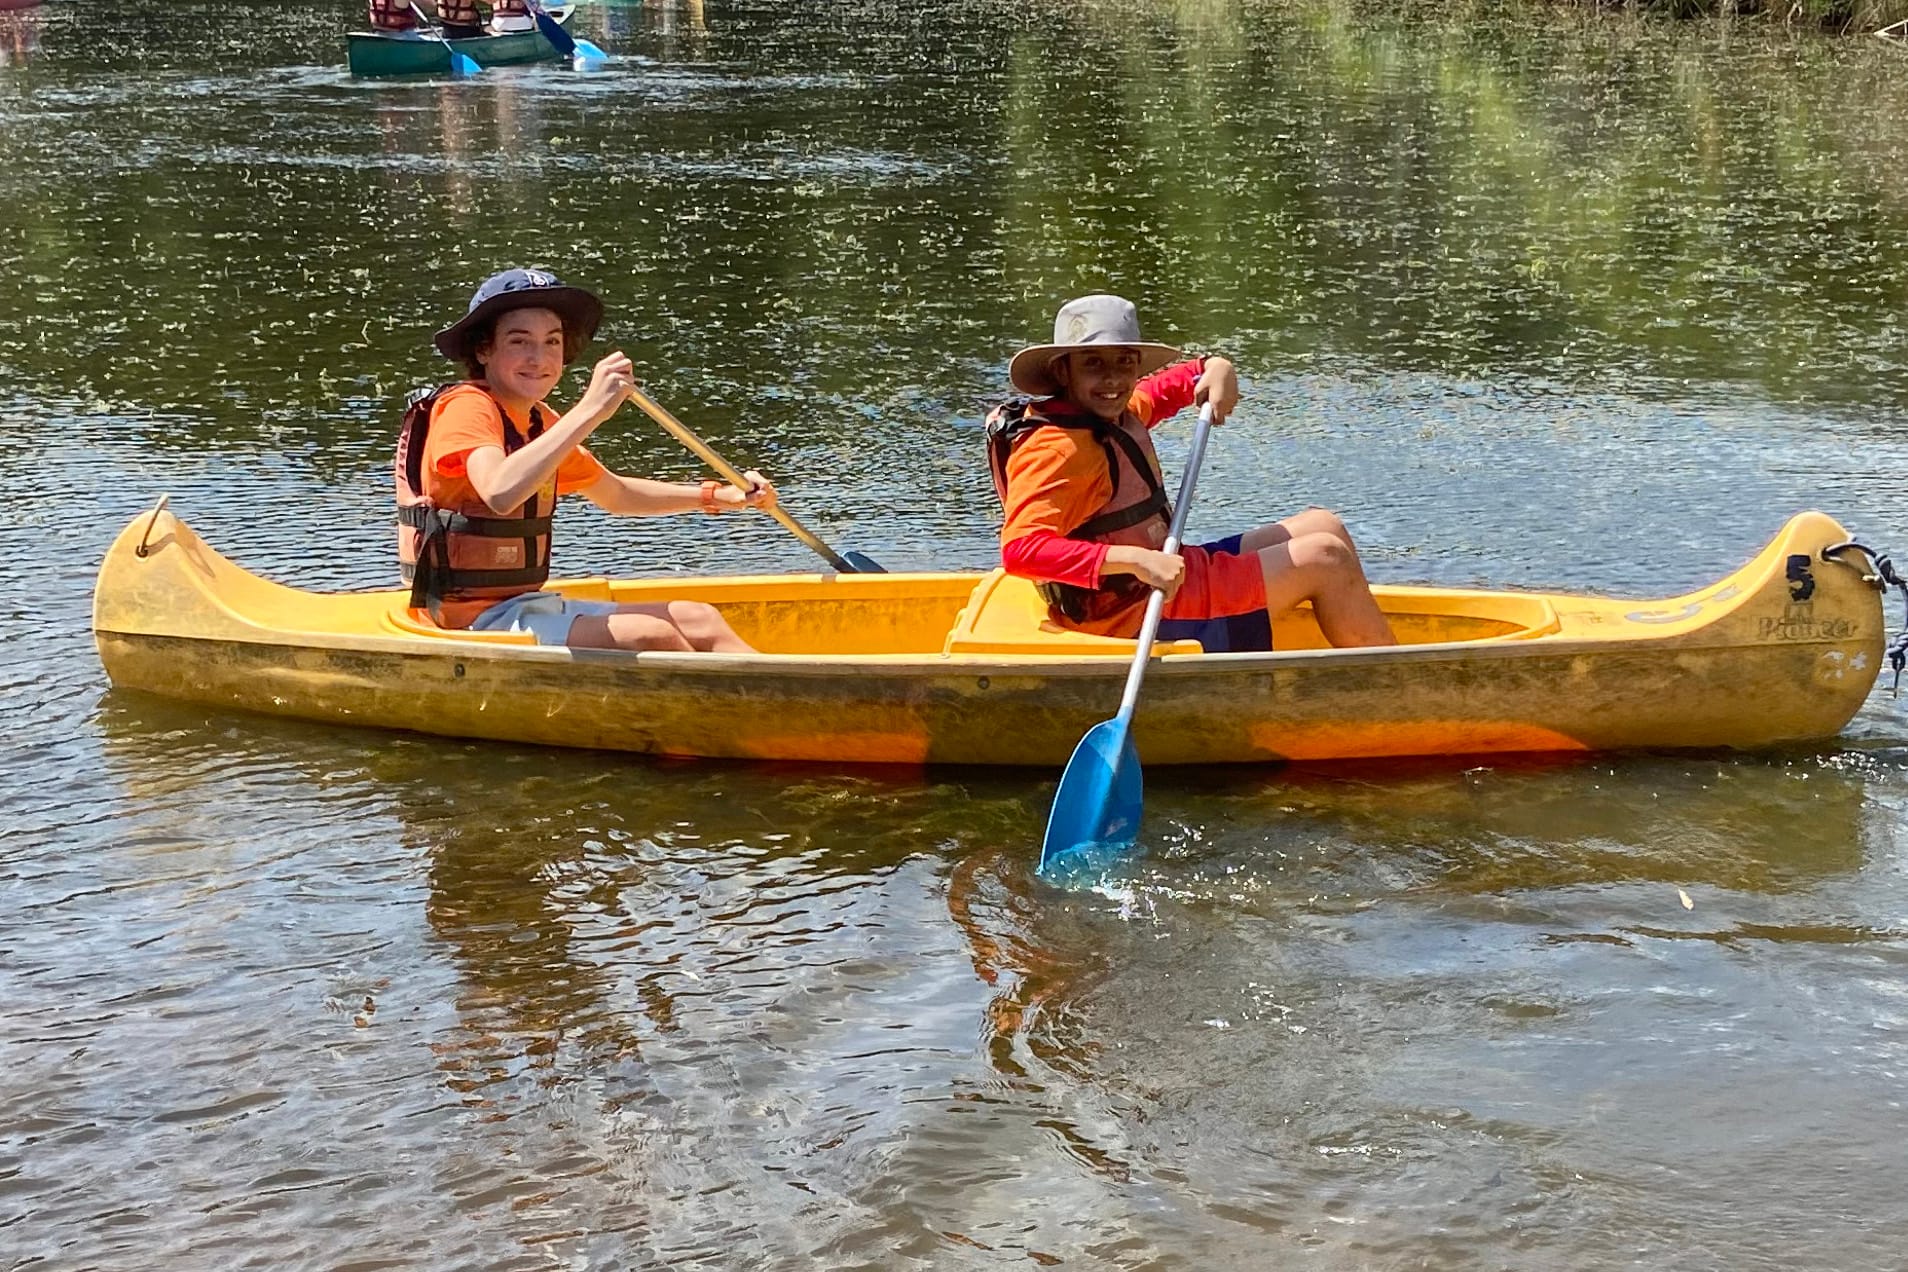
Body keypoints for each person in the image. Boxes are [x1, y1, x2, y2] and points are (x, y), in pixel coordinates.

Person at [986, 294, 1395, 653]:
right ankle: (1396, 687)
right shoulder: (1057, 449)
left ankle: (1370, 644)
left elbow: (1165, 389)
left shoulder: (1113, 411)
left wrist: (1213, 367)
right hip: (1133, 618)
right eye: (1093, 364)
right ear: (1062, 371)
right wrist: (1133, 559)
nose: (1112, 379)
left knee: (1325, 525)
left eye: (1124, 363)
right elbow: (1022, 551)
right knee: (1326, 557)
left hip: (1164, 579)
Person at [397, 268, 777, 652]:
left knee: (699, 618)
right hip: (467, 621)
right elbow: (499, 491)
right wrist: (590, 409)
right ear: (483, 350)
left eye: (552, 342)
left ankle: (775, 702)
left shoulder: (536, 420)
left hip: (521, 606)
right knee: (650, 636)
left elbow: (616, 493)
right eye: (519, 341)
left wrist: (717, 496)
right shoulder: (467, 407)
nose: (538, 358)